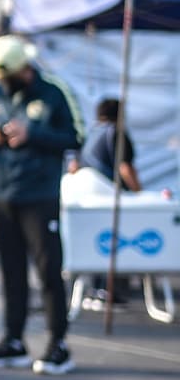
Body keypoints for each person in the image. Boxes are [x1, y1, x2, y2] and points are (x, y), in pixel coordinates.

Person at [0, 35, 83, 375]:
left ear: (25, 69)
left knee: (48, 269)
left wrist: (32, 134)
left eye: (9, 77)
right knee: (11, 271)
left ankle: (57, 344)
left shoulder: (53, 92)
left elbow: (76, 137)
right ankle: (13, 340)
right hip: (3, 193)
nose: (3, 83)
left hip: (40, 194)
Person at [78, 97, 140, 305]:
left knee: (98, 243)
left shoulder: (92, 133)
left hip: (88, 199)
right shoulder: (116, 133)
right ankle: (109, 289)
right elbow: (125, 168)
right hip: (110, 198)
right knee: (116, 242)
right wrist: (138, 193)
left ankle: (97, 287)